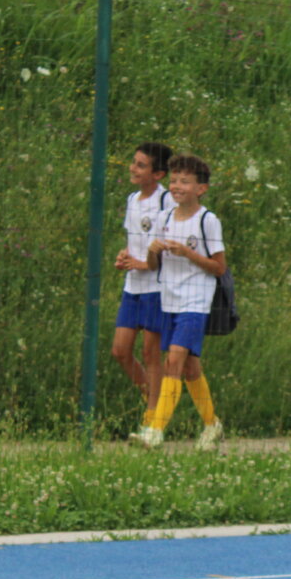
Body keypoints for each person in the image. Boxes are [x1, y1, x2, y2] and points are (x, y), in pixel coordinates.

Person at [135, 153, 226, 450]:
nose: (176, 186)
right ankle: (212, 425)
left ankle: (155, 431)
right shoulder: (164, 218)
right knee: (190, 368)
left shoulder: (208, 221)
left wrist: (188, 254)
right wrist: (154, 250)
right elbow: (152, 264)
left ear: (201, 189)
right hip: (168, 300)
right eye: (174, 181)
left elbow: (219, 267)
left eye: (185, 182)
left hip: (195, 302)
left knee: (173, 360)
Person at [110, 142, 172, 436]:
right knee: (120, 350)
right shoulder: (133, 199)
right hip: (132, 286)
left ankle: (153, 418)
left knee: (150, 352)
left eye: (141, 165)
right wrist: (124, 256)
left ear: (158, 173)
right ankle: (156, 403)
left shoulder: (166, 203)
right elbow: (133, 240)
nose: (133, 168)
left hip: (157, 288)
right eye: (133, 162)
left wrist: (143, 263)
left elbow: (169, 249)